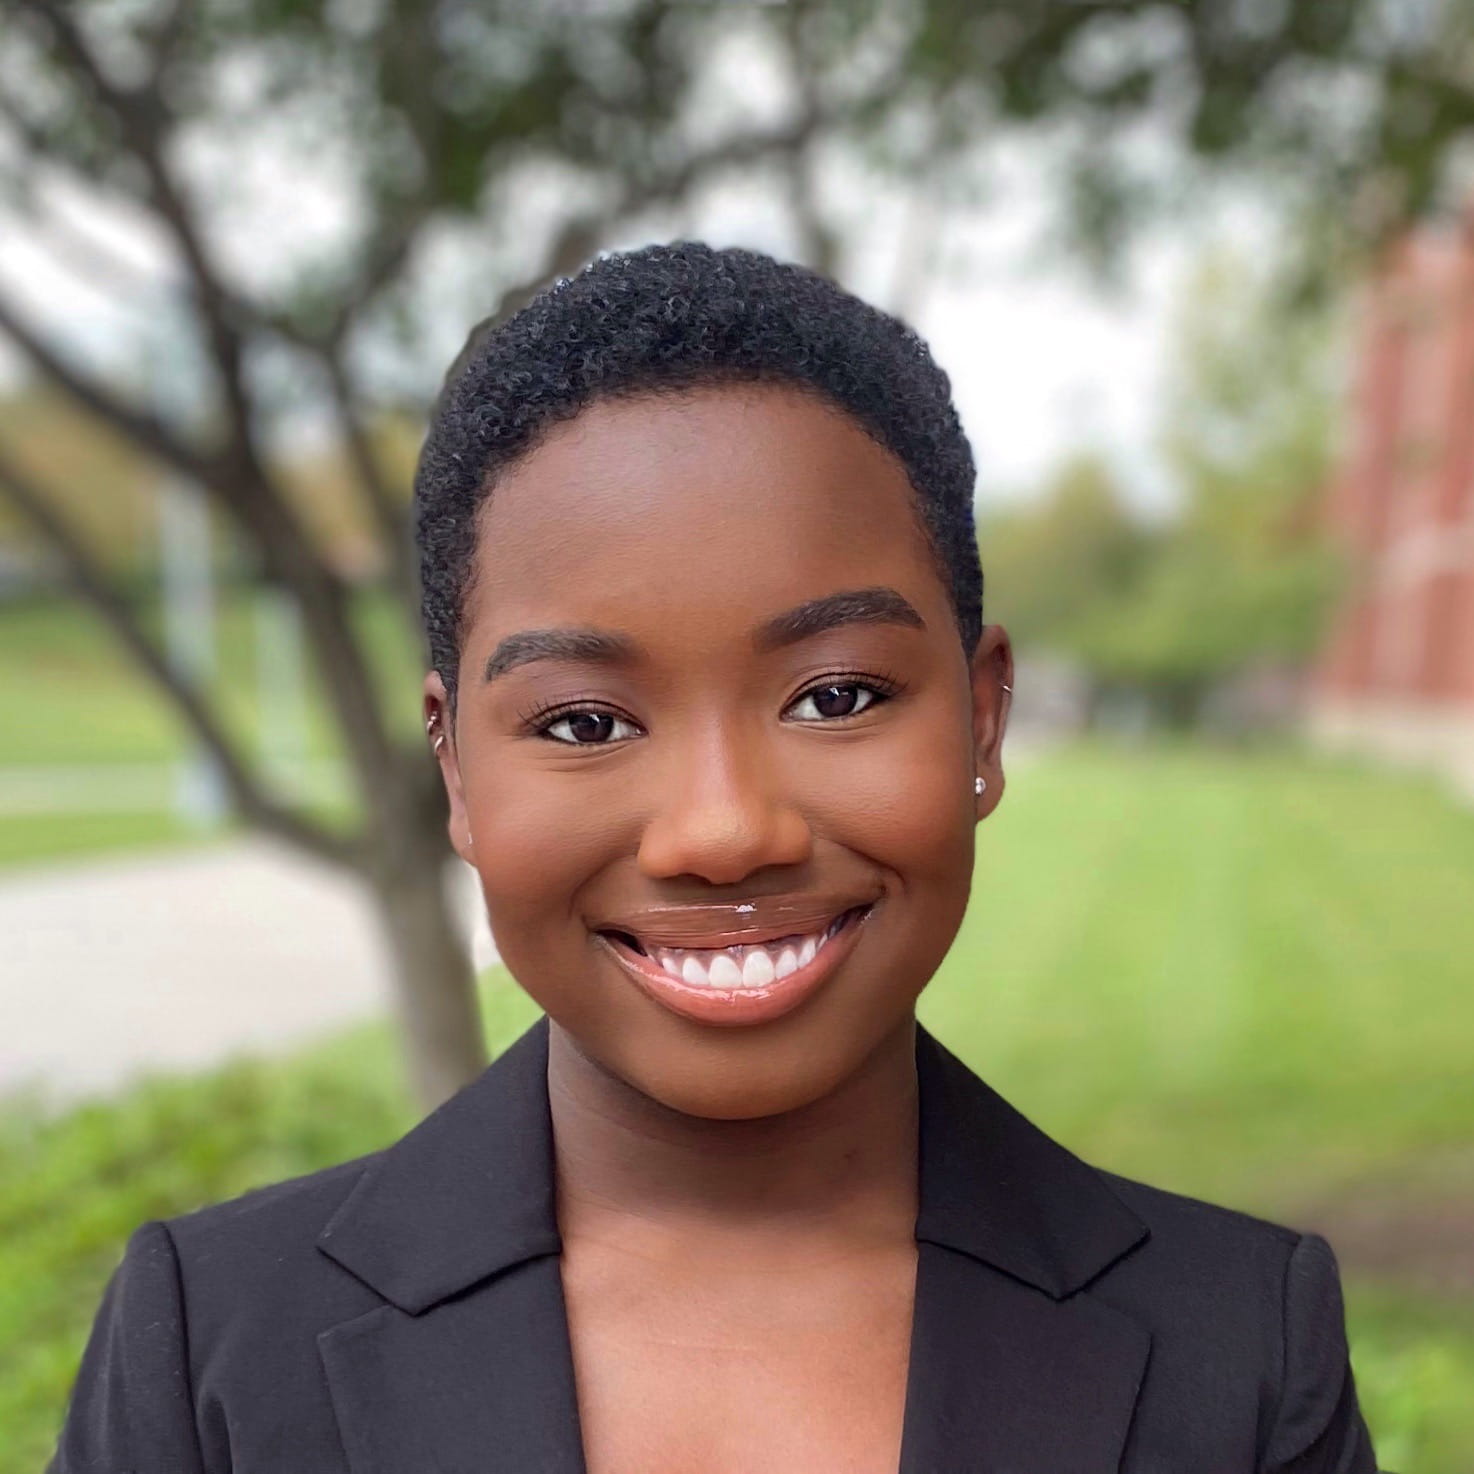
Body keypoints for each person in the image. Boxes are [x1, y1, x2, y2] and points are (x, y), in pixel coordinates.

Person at [51, 242, 1379, 1473]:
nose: (723, 827)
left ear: (981, 717)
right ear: (454, 767)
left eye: (836, 694)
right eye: (584, 719)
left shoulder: (1241, 1354)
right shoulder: (214, 1350)